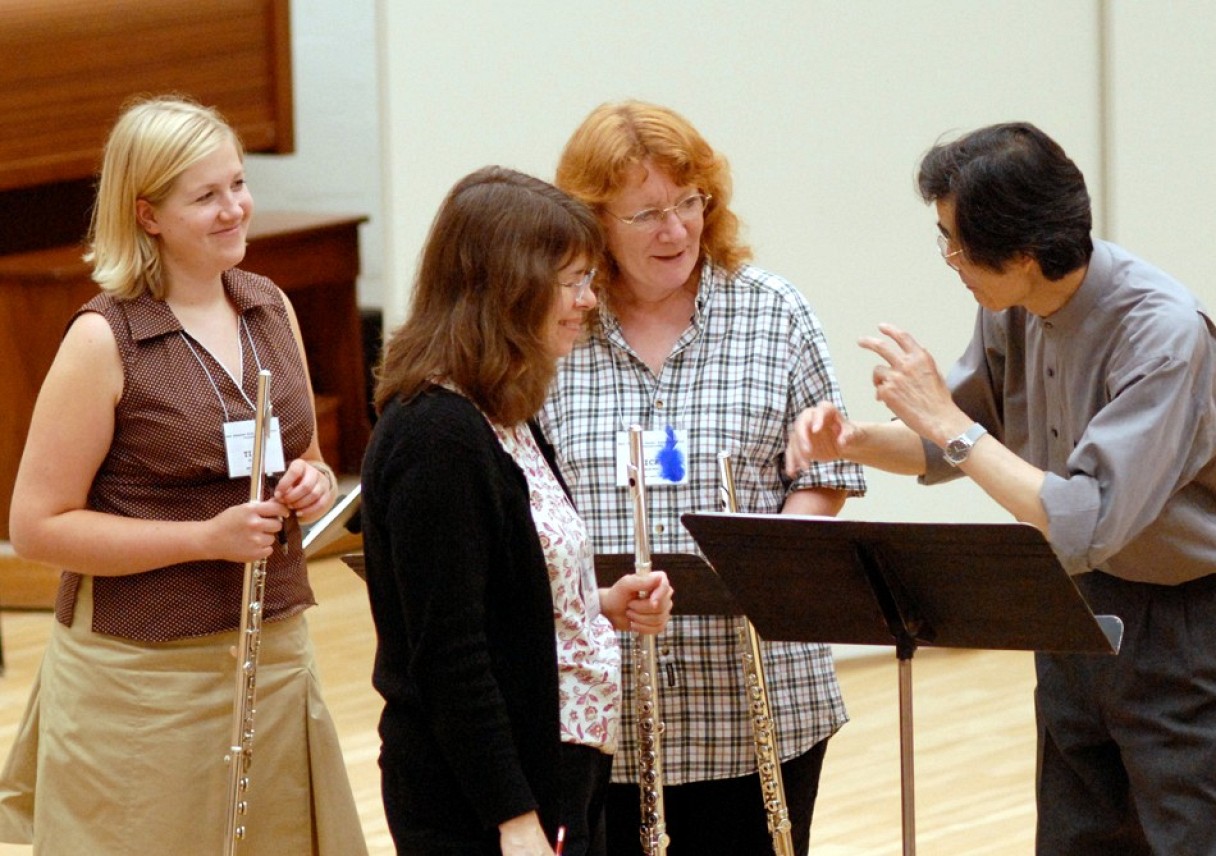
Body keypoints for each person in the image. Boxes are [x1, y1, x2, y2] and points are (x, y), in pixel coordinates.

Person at [787, 121, 1216, 855]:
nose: (949, 258)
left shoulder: (1163, 333)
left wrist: (949, 425)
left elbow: (1084, 516)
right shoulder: (1008, 309)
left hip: (1194, 627)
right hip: (1074, 606)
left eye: (954, 241)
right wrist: (855, 440)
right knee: (1075, 843)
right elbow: (952, 441)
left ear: (1022, 253)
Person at [0, 96, 365, 854]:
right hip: (143, 679)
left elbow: (307, 458)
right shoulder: (105, 340)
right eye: (207, 196)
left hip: (274, 652)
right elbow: (37, 527)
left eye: (237, 183)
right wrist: (205, 537)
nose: (236, 208)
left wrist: (312, 481)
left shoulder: (269, 307)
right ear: (148, 214)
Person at [539, 100, 865, 856]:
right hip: (602, 701)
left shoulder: (773, 311)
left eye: (688, 203)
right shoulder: (554, 328)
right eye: (646, 213)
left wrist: (768, 556)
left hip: (754, 696)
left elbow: (831, 473)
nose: (675, 230)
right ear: (593, 222)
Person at [360, 165, 673, 856]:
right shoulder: (436, 438)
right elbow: (450, 655)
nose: (589, 301)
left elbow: (499, 594)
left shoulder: (499, 413)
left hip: (558, 763)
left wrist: (591, 602)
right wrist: (514, 817)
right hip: (490, 801)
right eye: (572, 283)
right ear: (508, 287)